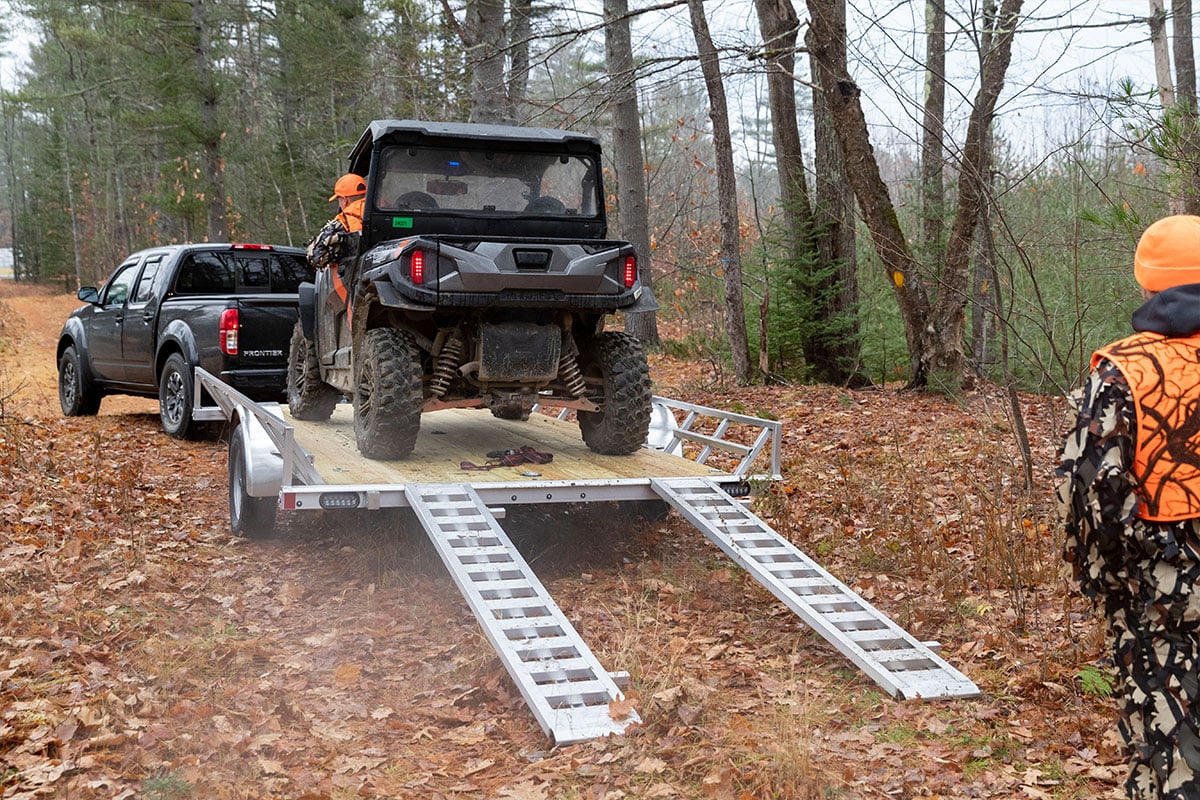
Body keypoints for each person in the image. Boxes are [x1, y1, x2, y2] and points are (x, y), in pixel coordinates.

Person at [1058, 213, 1200, 799]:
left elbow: (1091, 491)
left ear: (1147, 284)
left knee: (1171, 747)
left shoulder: (1124, 372)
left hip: (1161, 591)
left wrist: (1111, 582)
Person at [308, 172, 366, 273]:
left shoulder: (342, 221)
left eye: (338, 200)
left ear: (344, 200)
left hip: (353, 278)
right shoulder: (385, 210)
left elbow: (315, 256)